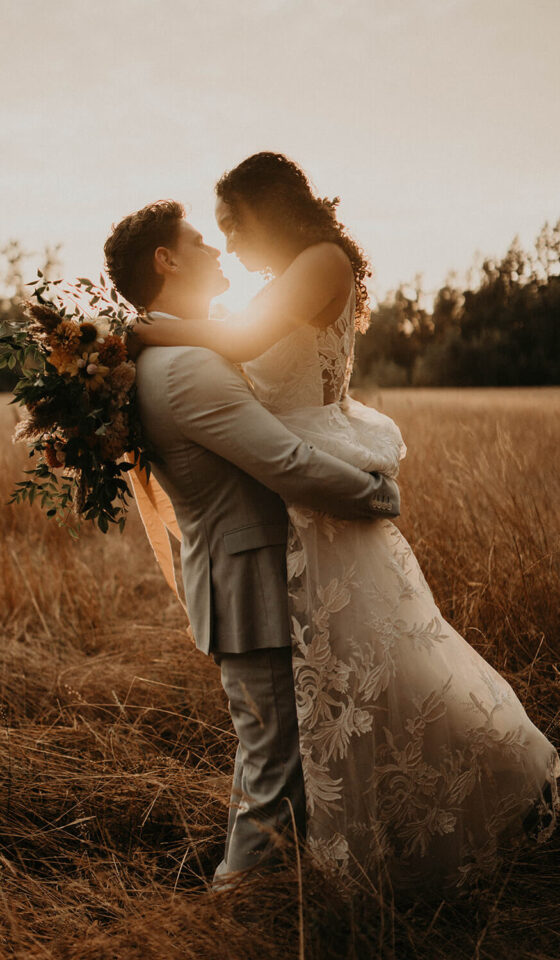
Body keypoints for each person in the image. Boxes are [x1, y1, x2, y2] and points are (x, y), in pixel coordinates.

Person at [134, 154, 560, 892]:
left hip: (318, 478)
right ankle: (342, 851)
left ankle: (449, 812)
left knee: (368, 682)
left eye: (233, 226)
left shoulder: (320, 261)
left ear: (266, 209)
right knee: (347, 693)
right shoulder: (286, 278)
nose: (230, 246)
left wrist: (148, 332)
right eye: (218, 234)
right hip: (293, 495)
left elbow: (235, 348)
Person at [103, 200, 401, 890]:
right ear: (165, 260)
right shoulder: (182, 369)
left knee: (274, 754)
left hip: (245, 580)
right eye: (200, 242)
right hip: (249, 582)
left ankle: (275, 898)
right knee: (273, 765)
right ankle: (235, 909)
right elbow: (286, 463)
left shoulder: (172, 353)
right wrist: (378, 493)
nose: (215, 252)